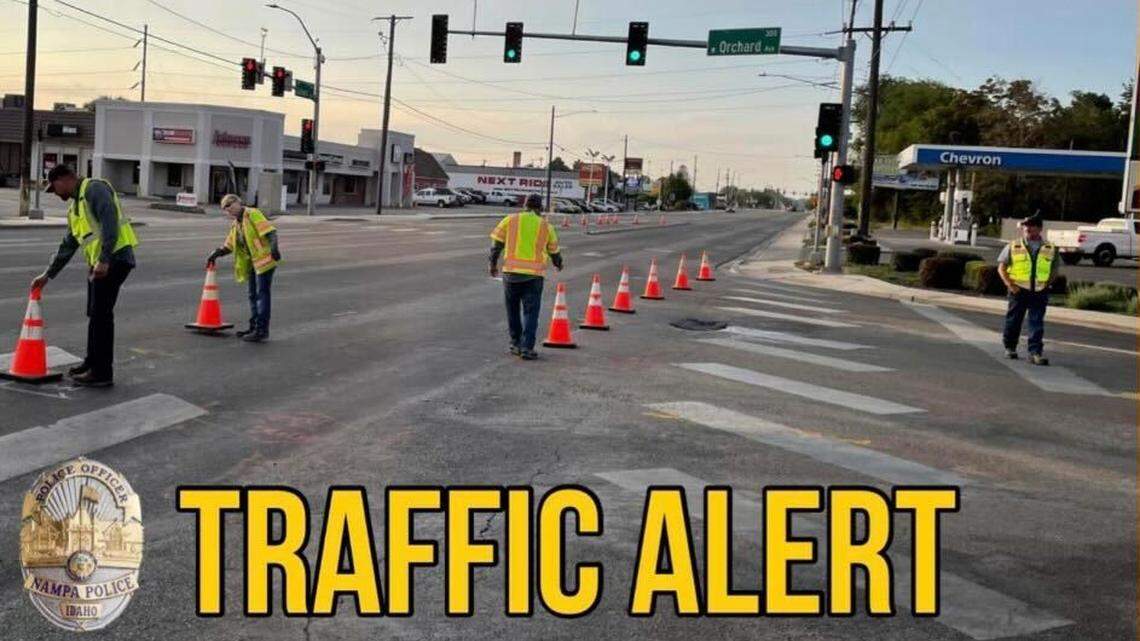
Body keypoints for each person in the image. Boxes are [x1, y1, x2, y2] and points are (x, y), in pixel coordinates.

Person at [30, 165, 139, 387]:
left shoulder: (94, 189)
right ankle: (91, 363)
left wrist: (105, 259)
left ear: (65, 179)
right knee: (95, 314)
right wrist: (47, 275)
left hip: (115, 259)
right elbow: (68, 245)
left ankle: (102, 373)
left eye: (55, 187)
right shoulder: (75, 208)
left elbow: (110, 224)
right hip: (100, 264)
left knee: (101, 316)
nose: (55, 193)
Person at [489, 193, 564, 360]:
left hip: (511, 274)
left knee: (512, 310)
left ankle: (515, 343)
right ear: (540, 208)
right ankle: (527, 348)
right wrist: (558, 264)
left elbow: (496, 246)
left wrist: (493, 265)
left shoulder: (510, 220)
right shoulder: (546, 226)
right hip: (533, 277)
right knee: (531, 312)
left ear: (525, 205)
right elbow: (554, 251)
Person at [205, 194, 281, 342]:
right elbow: (229, 245)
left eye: (230, 206)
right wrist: (216, 253)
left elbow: (270, 231)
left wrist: (274, 248)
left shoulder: (252, 214)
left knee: (262, 295)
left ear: (238, 202)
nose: (229, 211)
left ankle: (261, 330)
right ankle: (254, 327)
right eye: (226, 209)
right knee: (253, 295)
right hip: (252, 263)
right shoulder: (236, 223)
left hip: (264, 261)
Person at [997, 215, 1057, 366]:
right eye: (1025, 226)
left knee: (1036, 323)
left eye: (1031, 226)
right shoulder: (1014, 245)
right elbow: (1001, 267)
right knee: (1014, 321)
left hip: (1039, 291)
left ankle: (1035, 352)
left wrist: (1046, 285)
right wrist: (1011, 285)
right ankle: (1010, 347)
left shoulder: (1050, 248)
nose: (1027, 229)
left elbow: (1054, 270)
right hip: (1018, 290)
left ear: (1039, 228)